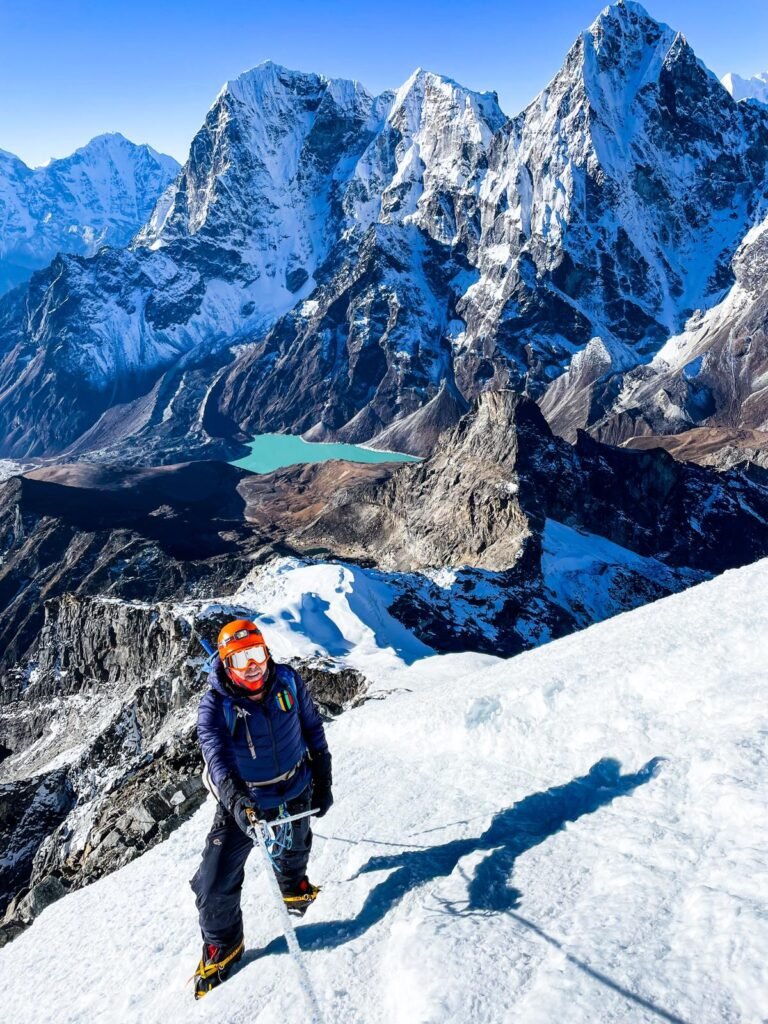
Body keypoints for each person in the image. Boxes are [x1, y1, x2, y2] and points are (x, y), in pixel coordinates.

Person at [190, 619, 333, 999]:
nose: (252, 665)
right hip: (244, 798)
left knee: (296, 847)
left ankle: (293, 888)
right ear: (226, 665)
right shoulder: (214, 706)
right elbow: (217, 759)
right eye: (240, 659)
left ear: (266, 651)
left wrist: (323, 777)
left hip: (294, 785)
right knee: (214, 879)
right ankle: (223, 943)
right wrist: (237, 802)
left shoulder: (287, 682)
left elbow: (312, 729)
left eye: (256, 653)